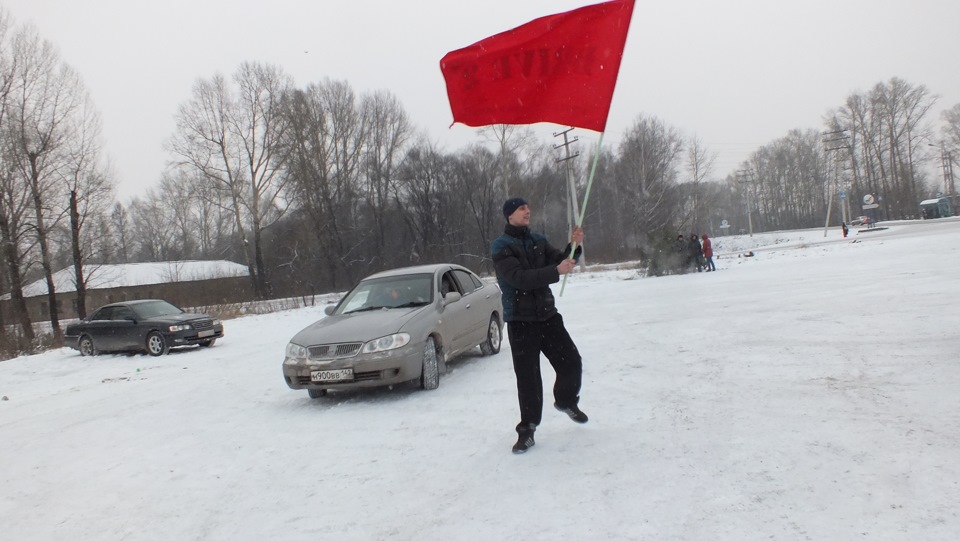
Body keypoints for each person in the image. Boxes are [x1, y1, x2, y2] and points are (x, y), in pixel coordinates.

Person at [491, 197, 587, 455]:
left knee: (571, 362)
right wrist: (556, 270)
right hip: (521, 322)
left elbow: (561, 259)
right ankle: (527, 432)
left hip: (547, 316)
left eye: (528, 208)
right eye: (521, 208)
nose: (527, 211)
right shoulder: (501, 247)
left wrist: (574, 246)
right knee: (529, 379)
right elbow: (519, 278)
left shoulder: (538, 240)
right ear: (509, 215)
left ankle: (566, 400)